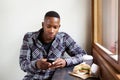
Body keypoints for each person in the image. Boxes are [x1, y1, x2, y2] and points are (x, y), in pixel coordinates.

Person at [19, 11, 87, 80]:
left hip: (55, 77)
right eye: (48, 26)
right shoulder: (29, 38)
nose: (52, 31)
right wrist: (36, 64)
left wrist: (65, 62)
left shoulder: (64, 38)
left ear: (59, 27)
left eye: (55, 27)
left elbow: (83, 55)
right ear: (43, 25)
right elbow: (23, 64)